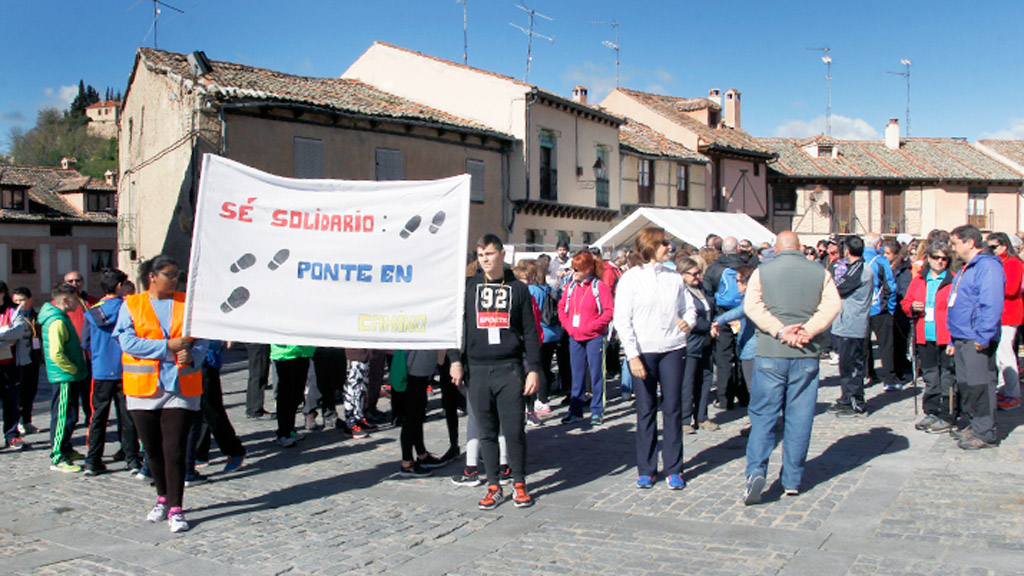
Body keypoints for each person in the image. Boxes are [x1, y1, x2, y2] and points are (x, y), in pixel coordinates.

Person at [742, 231, 840, 504]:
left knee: (763, 417)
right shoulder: (820, 272)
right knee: (800, 418)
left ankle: (756, 471)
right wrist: (808, 330)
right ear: (800, 247)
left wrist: (779, 330)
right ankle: (792, 480)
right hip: (806, 352)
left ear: (776, 248)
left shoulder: (762, 272)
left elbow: (752, 307)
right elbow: (833, 305)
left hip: (771, 351)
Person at [113, 255, 208, 532]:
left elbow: (202, 338)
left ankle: (177, 508)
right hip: (143, 388)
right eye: (169, 274)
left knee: (174, 449)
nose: (175, 279)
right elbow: (127, 342)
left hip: (180, 387)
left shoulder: (188, 303)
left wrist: (193, 356)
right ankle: (162, 498)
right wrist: (166, 346)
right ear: (152, 277)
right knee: (152, 449)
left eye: (177, 274)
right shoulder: (132, 304)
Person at [454, 233, 541, 510]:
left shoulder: (518, 289)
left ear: (502, 254)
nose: (485, 259)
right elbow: (456, 326)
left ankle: (519, 483)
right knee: (486, 432)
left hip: (509, 368)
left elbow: (530, 331)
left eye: (490, 254)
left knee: (514, 430)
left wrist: (534, 369)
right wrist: (455, 360)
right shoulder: (469, 287)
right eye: (480, 255)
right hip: (478, 369)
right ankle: (493, 485)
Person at [614, 227, 695, 490]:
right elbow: (622, 320)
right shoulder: (631, 279)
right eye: (664, 243)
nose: (669, 247)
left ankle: (674, 468)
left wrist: (688, 322)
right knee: (646, 410)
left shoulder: (674, 277)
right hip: (643, 351)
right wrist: (632, 356)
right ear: (650, 246)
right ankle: (647, 468)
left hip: (672, 348)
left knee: (673, 409)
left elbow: (688, 308)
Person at [947, 225, 1004, 450]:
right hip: (961, 336)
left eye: (955, 243)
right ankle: (974, 423)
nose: (953, 248)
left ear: (970, 243)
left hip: (976, 337)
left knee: (980, 386)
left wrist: (984, 335)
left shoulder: (988, 266)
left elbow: (991, 303)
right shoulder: (966, 268)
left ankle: (985, 431)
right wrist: (953, 338)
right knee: (967, 385)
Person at [82, 268, 141, 475]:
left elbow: (85, 342)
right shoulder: (129, 307)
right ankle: (132, 458)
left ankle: (93, 460)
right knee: (128, 416)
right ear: (119, 286)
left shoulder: (93, 311)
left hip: (101, 369)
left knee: (98, 416)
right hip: (126, 368)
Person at [902, 243, 957, 433]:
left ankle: (948, 413)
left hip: (946, 335)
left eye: (944, 258)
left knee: (947, 376)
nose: (940, 261)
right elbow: (906, 302)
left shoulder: (953, 280)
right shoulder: (919, 280)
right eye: (936, 257)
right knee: (930, 375)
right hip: (925, 335)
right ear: (928, 258)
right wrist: (911, 307)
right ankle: (932, 410)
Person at [558, 250, 615, 426]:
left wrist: (593, 326)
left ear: (588, 269)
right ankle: (575, 410)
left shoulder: (599, 287)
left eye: (577, 269)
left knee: (596, 374)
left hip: (595, 337)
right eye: (573, 269)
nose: (573, 272)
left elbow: (609, 311)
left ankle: (597, 410)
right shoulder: (571, 287)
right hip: (575, 337)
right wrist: (568, 325)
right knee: (577, 374)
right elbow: (562, 308)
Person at [40, 283, 86, 472]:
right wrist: (72, 368)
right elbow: (56, 353)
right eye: (76, 299)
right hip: (64, 376)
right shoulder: (57, 321)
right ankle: (58, 457)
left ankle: (66, 448)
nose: (78, 303)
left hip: (69, 375)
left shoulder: (62, 317)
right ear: (66, 300)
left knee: (71, 415)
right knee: (63, 417)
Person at [828, 236, 875, 417]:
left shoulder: (860, 269)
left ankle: (856, 403)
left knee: (853, 367)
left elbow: (840, 287)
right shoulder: (853, 267)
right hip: (845, 323)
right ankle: (846, 398)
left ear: (847, 250)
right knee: (845, 365)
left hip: (853, 324)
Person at [398, 349, 461, 477]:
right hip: (415, 365)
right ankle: (407, 462)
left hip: (422, 365)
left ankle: (422, 454)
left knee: (418, 411)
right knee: (412, 414)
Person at [703, 236, 748, 410]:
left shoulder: (714, 268)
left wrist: (715, 317)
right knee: (743, 355)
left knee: (723, 358)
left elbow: (708, 294)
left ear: (722, 250)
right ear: (738, 249)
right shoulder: (747, 266)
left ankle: (724, 398)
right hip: (744, 313)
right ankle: (745, 395)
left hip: (722, 315)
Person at [677, 257, 715, 434]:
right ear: (683, 274)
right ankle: (685, 419)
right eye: (693, 274)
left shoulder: (702, 289)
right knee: (688, 381)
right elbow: (685, 318)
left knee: (705, 379)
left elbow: (710, 308)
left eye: (698, 273)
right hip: (691, 341)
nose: (697, 277)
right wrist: (707, 326)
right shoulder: (681, 292)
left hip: (706, 341)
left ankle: (702, 416)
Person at [986, 232, 1023, 411]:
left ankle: (1013, 394)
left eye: (994, 247)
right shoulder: (996, 262)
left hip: (1009, 314)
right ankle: (1004, 388)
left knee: (1005, 354)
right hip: (997, 313)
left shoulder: (1013, 262)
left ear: (1004, 246)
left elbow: (1011, 289)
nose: (991, 250)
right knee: (999, 355)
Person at [863, 233, 899, 390]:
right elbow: (890, 286)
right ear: (879, 245)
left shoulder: (857, 259)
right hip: (879, 308)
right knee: (886, 345)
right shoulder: (881, 261)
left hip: (861, 308)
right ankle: (889, 379)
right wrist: (891, 308)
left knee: (864, 344)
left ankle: (868, 374)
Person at [62, 270, 99, 427]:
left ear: (82, 282)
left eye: (77, 280)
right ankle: (70, 420)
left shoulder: (92, 301)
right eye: (70, 281)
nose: (74, 284)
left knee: (89, 389)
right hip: (70, 354)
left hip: (89, 354)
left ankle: (91, 417)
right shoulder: (60, 303)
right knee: (71, 391)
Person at [0, 282, 27, 450]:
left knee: (11, 401)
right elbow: (9, 335)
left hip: (10, 364)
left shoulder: (13, 311)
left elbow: (17, 332)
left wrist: (6, 335)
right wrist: (5, 336)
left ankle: (12, 435)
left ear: (3, 293)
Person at [270, 343, 314, 447]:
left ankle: (290, 429)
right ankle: (283, 433)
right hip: (284, 353)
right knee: (285, 395)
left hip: (303, 351)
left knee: (297, 394)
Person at [12, 287, 41, 436]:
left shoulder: (35, 315)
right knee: (19, 392)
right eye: (16, 301)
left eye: (22, 300)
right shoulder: (13, 316)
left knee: (31, 390)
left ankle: (27, 420)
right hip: (18, 359)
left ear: (30, 300)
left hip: (33, 358)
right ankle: (18, 422)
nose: (19, 304)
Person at [244, 343, 273, 419]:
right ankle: (255, 409)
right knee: (259, 374)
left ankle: (252, 408)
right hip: (259, 343)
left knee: (256, 374)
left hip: (255, 343)